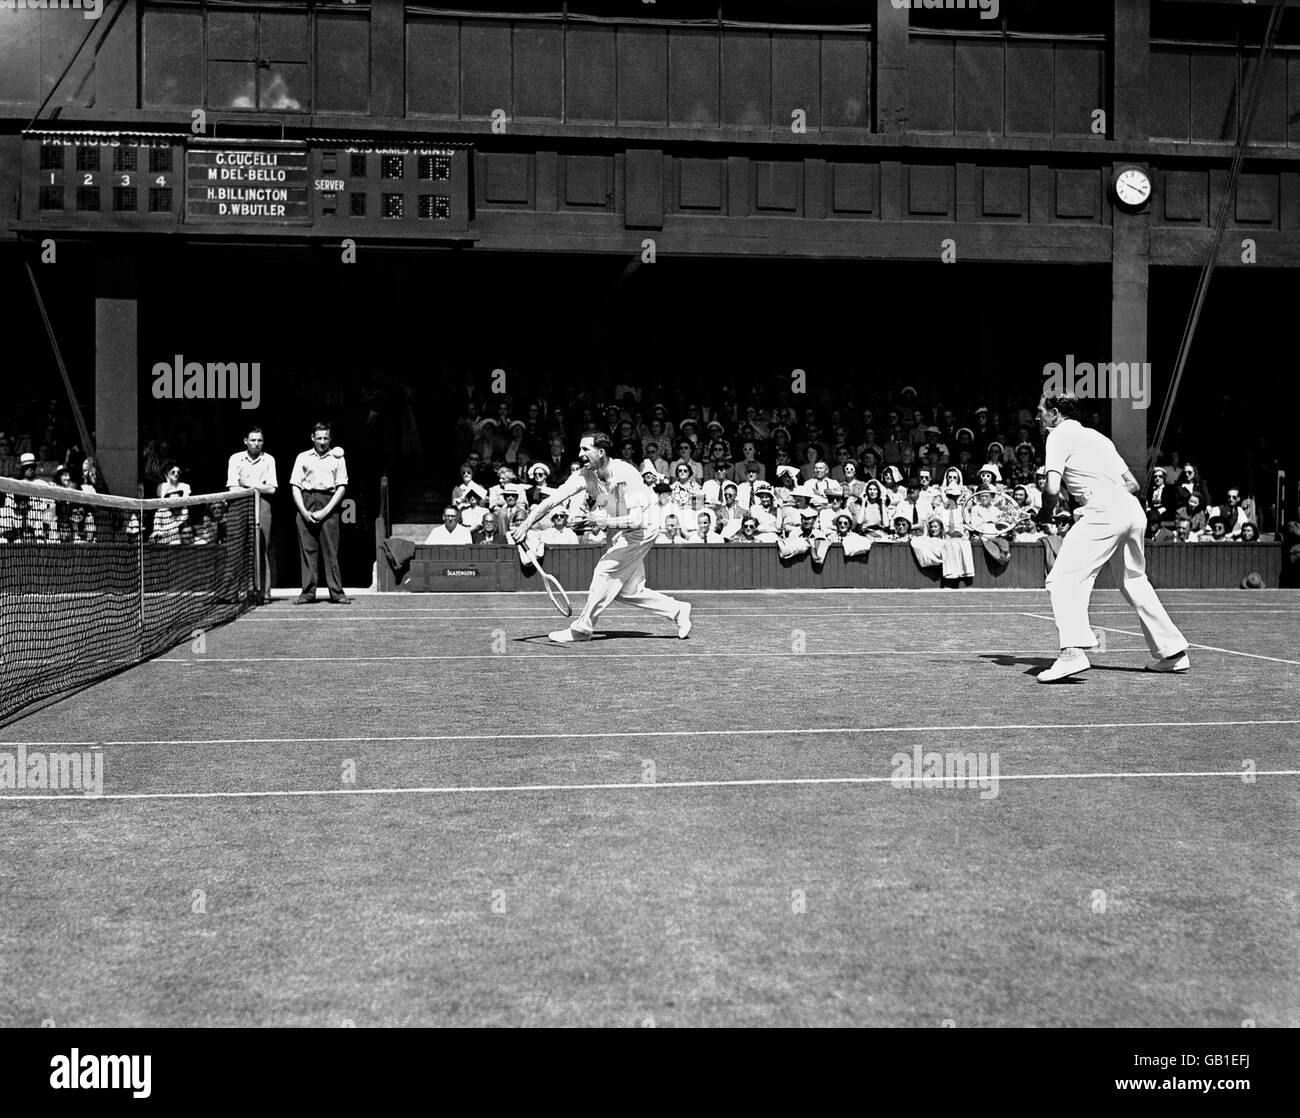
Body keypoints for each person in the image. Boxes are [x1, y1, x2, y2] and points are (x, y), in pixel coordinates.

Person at [1035, 393, 1189, 682]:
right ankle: (1173, 653)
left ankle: (1072, 653)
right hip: (1131, 511)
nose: (1037, 418)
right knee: (1133, 581)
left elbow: (1052, 489)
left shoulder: (1056, 436)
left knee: (1063, 579)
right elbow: (1130, 484)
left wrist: (1046, 513)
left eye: (1041, 412)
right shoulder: (1098, 438)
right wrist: (1086, 507)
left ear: (1055, 413)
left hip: (1105, 512)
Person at [511, 433, 692, 643]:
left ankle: (582, 628)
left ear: (601, 452)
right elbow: (552, 501)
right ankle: (678, 610)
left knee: (604, 570)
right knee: (628, 590)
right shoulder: (584, 475)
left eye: (585, 449)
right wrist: (526, 524)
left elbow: (635, 521)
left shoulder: (625, 473)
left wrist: (601, 521)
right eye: (580, 449)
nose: (580, 454)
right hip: (625, 529)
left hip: (644, 527)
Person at [290, 421, 352, 604]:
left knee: (331, 552)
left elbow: (341, 488)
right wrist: (303, 511)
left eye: (326, 438)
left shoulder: (338, 458)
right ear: (312, 438)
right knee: (308, 551)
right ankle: (308, 593)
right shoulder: (302, 457)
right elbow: (295, 486)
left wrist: (325, 511)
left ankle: (337, 593)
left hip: (329, 503)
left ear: (331, 438)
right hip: (306, 501)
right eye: (319, 438)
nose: (322, 442)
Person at [227, 426, 278, 604]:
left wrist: (246, 482)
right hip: (239, 503)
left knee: (261, 547)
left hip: (262, 504)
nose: (256, 444)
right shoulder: (235, 458)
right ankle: (231, 593)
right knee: (236, 547)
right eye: (253, 440)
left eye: (260, 440)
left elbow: (271, 489)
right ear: (245, 441)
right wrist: (258, 485)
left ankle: (263, 593)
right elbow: (233, 487)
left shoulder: (269, 459)